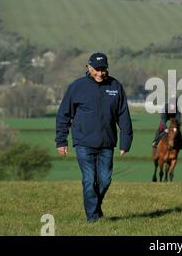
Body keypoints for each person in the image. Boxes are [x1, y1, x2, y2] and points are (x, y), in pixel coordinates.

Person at [55, 52, 133, 222]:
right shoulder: (77, 87)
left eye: (103, 69)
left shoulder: (115, 86)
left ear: (107, 68)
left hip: (107, 142)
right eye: (96, 69)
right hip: (83, 142)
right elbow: (64, 115)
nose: (100, 73)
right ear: (88, 67)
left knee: (104, 180)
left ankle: (95, 207)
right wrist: (61, 141)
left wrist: (125, 142)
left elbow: (123, 115)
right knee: (89, 180)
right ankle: (93, 218)